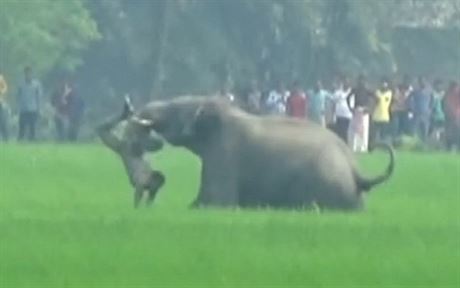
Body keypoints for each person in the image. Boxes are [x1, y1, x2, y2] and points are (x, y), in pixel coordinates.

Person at [96, 96, 165, 208]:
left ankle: (127, 117)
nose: (156, 189)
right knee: (102, 130)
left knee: (101, 130)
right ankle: (129, 118)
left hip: (129, 151)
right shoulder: (144, 180)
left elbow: (150, 195)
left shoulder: (150, 182)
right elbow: (140, 190)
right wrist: (136, 208)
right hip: (130, 151)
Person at [347, 75, 373, 152]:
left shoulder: (367, 90)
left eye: (362, 81)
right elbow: (347, 98)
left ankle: (363, 148)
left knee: (364, 130)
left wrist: (369, 109)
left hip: (364, 112)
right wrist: (350, 108)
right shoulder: (355, 90)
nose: (361, 82)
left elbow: (377, 98)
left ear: (365, 82)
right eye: (360, 80)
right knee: (354, 130)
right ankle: (353, 147)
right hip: (356, 111)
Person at [17, 66, 42, 141]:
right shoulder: (21, 84)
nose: (28, 75)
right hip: (23, 109)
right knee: (22, 126)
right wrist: (18, 106)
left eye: (29, 73)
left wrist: (39, 108)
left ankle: (32, 140)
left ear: (32, 74)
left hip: (33, 108)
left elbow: (39, 97)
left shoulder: (36, 84)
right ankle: (20, 140)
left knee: (33, 127)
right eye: (26, 73)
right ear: (24, 74)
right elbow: (18, 95)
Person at [408, 77, 432, 142]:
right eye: (421, 82)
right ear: (419, 83)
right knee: (414, 129)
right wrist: (412, 108)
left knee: (425, 130)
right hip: (417, 113)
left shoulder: (429, 91)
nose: (422, 83)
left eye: (423, 81)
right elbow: (409, 98)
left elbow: (432, 100)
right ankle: (413, 143)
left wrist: (430, 109)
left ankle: (424, 144)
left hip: (425, 114)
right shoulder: (415, 91)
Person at [371, 77, 393, 145]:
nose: (383, 85)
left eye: (385, 83)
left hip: (385, 117)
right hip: (376, 116)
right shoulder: (377, 92)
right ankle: (374, 146)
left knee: (383, 134)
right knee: (375, 134)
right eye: (382, 83)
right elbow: (374, 102)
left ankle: (383, 147)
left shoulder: (390, 93)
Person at [331, 77, 352, 143]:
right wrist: (333, 115)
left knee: (345, 132)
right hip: (339, 115)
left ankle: (345, 145)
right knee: (339, 132)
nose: (346, 84)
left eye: (347, 83)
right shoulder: (337, 93)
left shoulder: (352, 92)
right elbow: (333, 104)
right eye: (344, 82)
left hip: (348, 116)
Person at [443, 81, 460, 151]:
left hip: (456, 116)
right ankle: (449, 147)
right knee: (450, 132)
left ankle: (455, 146)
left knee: (456, 132)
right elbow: (446, 106)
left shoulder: (456, 94)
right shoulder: (448, 95)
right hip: (451, 117)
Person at [430, 79, 446, 146]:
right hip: (434, 115)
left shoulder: (443, 94)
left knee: (442, 130)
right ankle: (435, 143)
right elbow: (431, 104)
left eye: (440, 85)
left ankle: (442, 144)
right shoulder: (432, 93)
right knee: (435, 130)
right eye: (438, 85)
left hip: (442, 115)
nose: (439, 86)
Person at [0, 70, 9, 141]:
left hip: (0, 102)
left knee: (2, 121)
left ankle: (5, 138)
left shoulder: (0, 77)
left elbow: (5, 88)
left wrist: (1, 91)